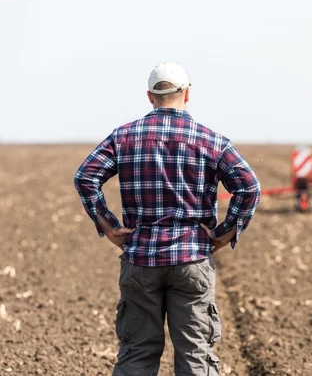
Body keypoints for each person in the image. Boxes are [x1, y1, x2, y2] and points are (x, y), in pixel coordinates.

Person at [73, 62, 261, 375]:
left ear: (150, 96)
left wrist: (108, 225)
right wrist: (226, 232)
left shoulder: (124, 137)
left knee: (137, 355)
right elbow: (249, 187)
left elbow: (85, 176)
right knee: (195, 357)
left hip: (140, 260)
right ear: (187, 94)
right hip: (192, 260)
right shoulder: (211, 140)